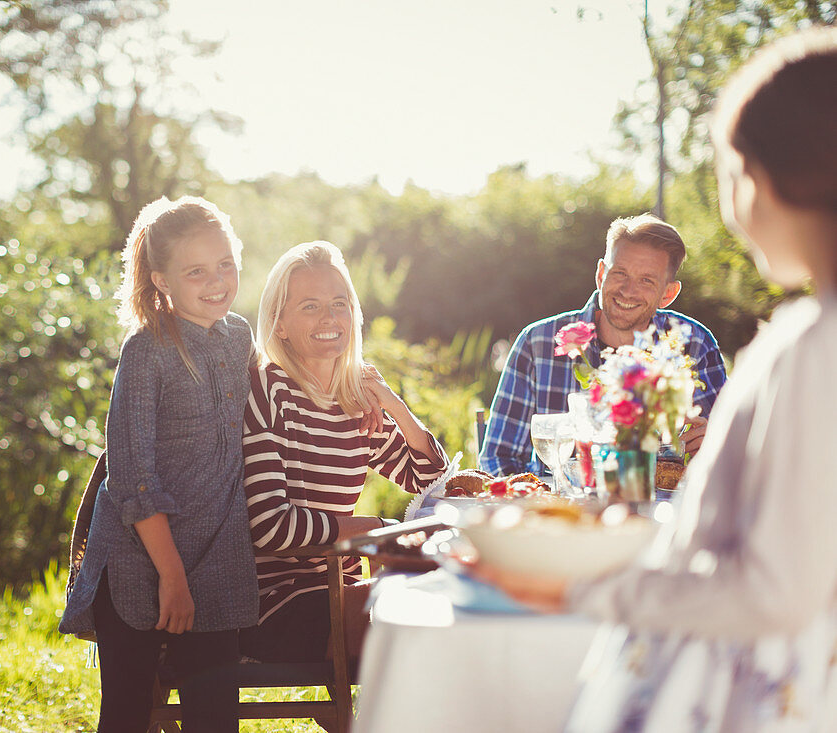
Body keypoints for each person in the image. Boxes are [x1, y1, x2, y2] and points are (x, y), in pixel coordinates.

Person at [476, 28, 837, 732]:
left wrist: (581, 587)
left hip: (748, 693)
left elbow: (777, 590)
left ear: (755, 179)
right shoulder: (803, 335)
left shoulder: (811, 349)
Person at [58, 196, 259, 733]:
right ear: (161, 279)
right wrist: (171, 578)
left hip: (215, 557)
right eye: (196, 271)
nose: (216, 281)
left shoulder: (240, 336)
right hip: (139, 562)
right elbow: (133, 478)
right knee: (128, 715)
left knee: (215, 719)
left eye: (225, 264)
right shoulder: (146, 350)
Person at [239, 240, 448, 664]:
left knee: (455, 606)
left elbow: (432, 483)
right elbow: (269, 527)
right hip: (275, 605)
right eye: (310, 307)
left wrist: (396, 406)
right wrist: (374, 528)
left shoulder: (355, 402)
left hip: (345, 593)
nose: (330, 318)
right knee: (429, 625)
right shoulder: (265, 389)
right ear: (279, 324)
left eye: (339, 303)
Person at [480, 213, 729, 476]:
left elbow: (732, 464)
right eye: (619, 272)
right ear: (601, 274)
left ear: (667, 294)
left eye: (646, 280)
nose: (628, 290)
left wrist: (716, 446)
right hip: (559, 512)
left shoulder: (695, 344)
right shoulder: (537, 343)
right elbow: (498, 461)